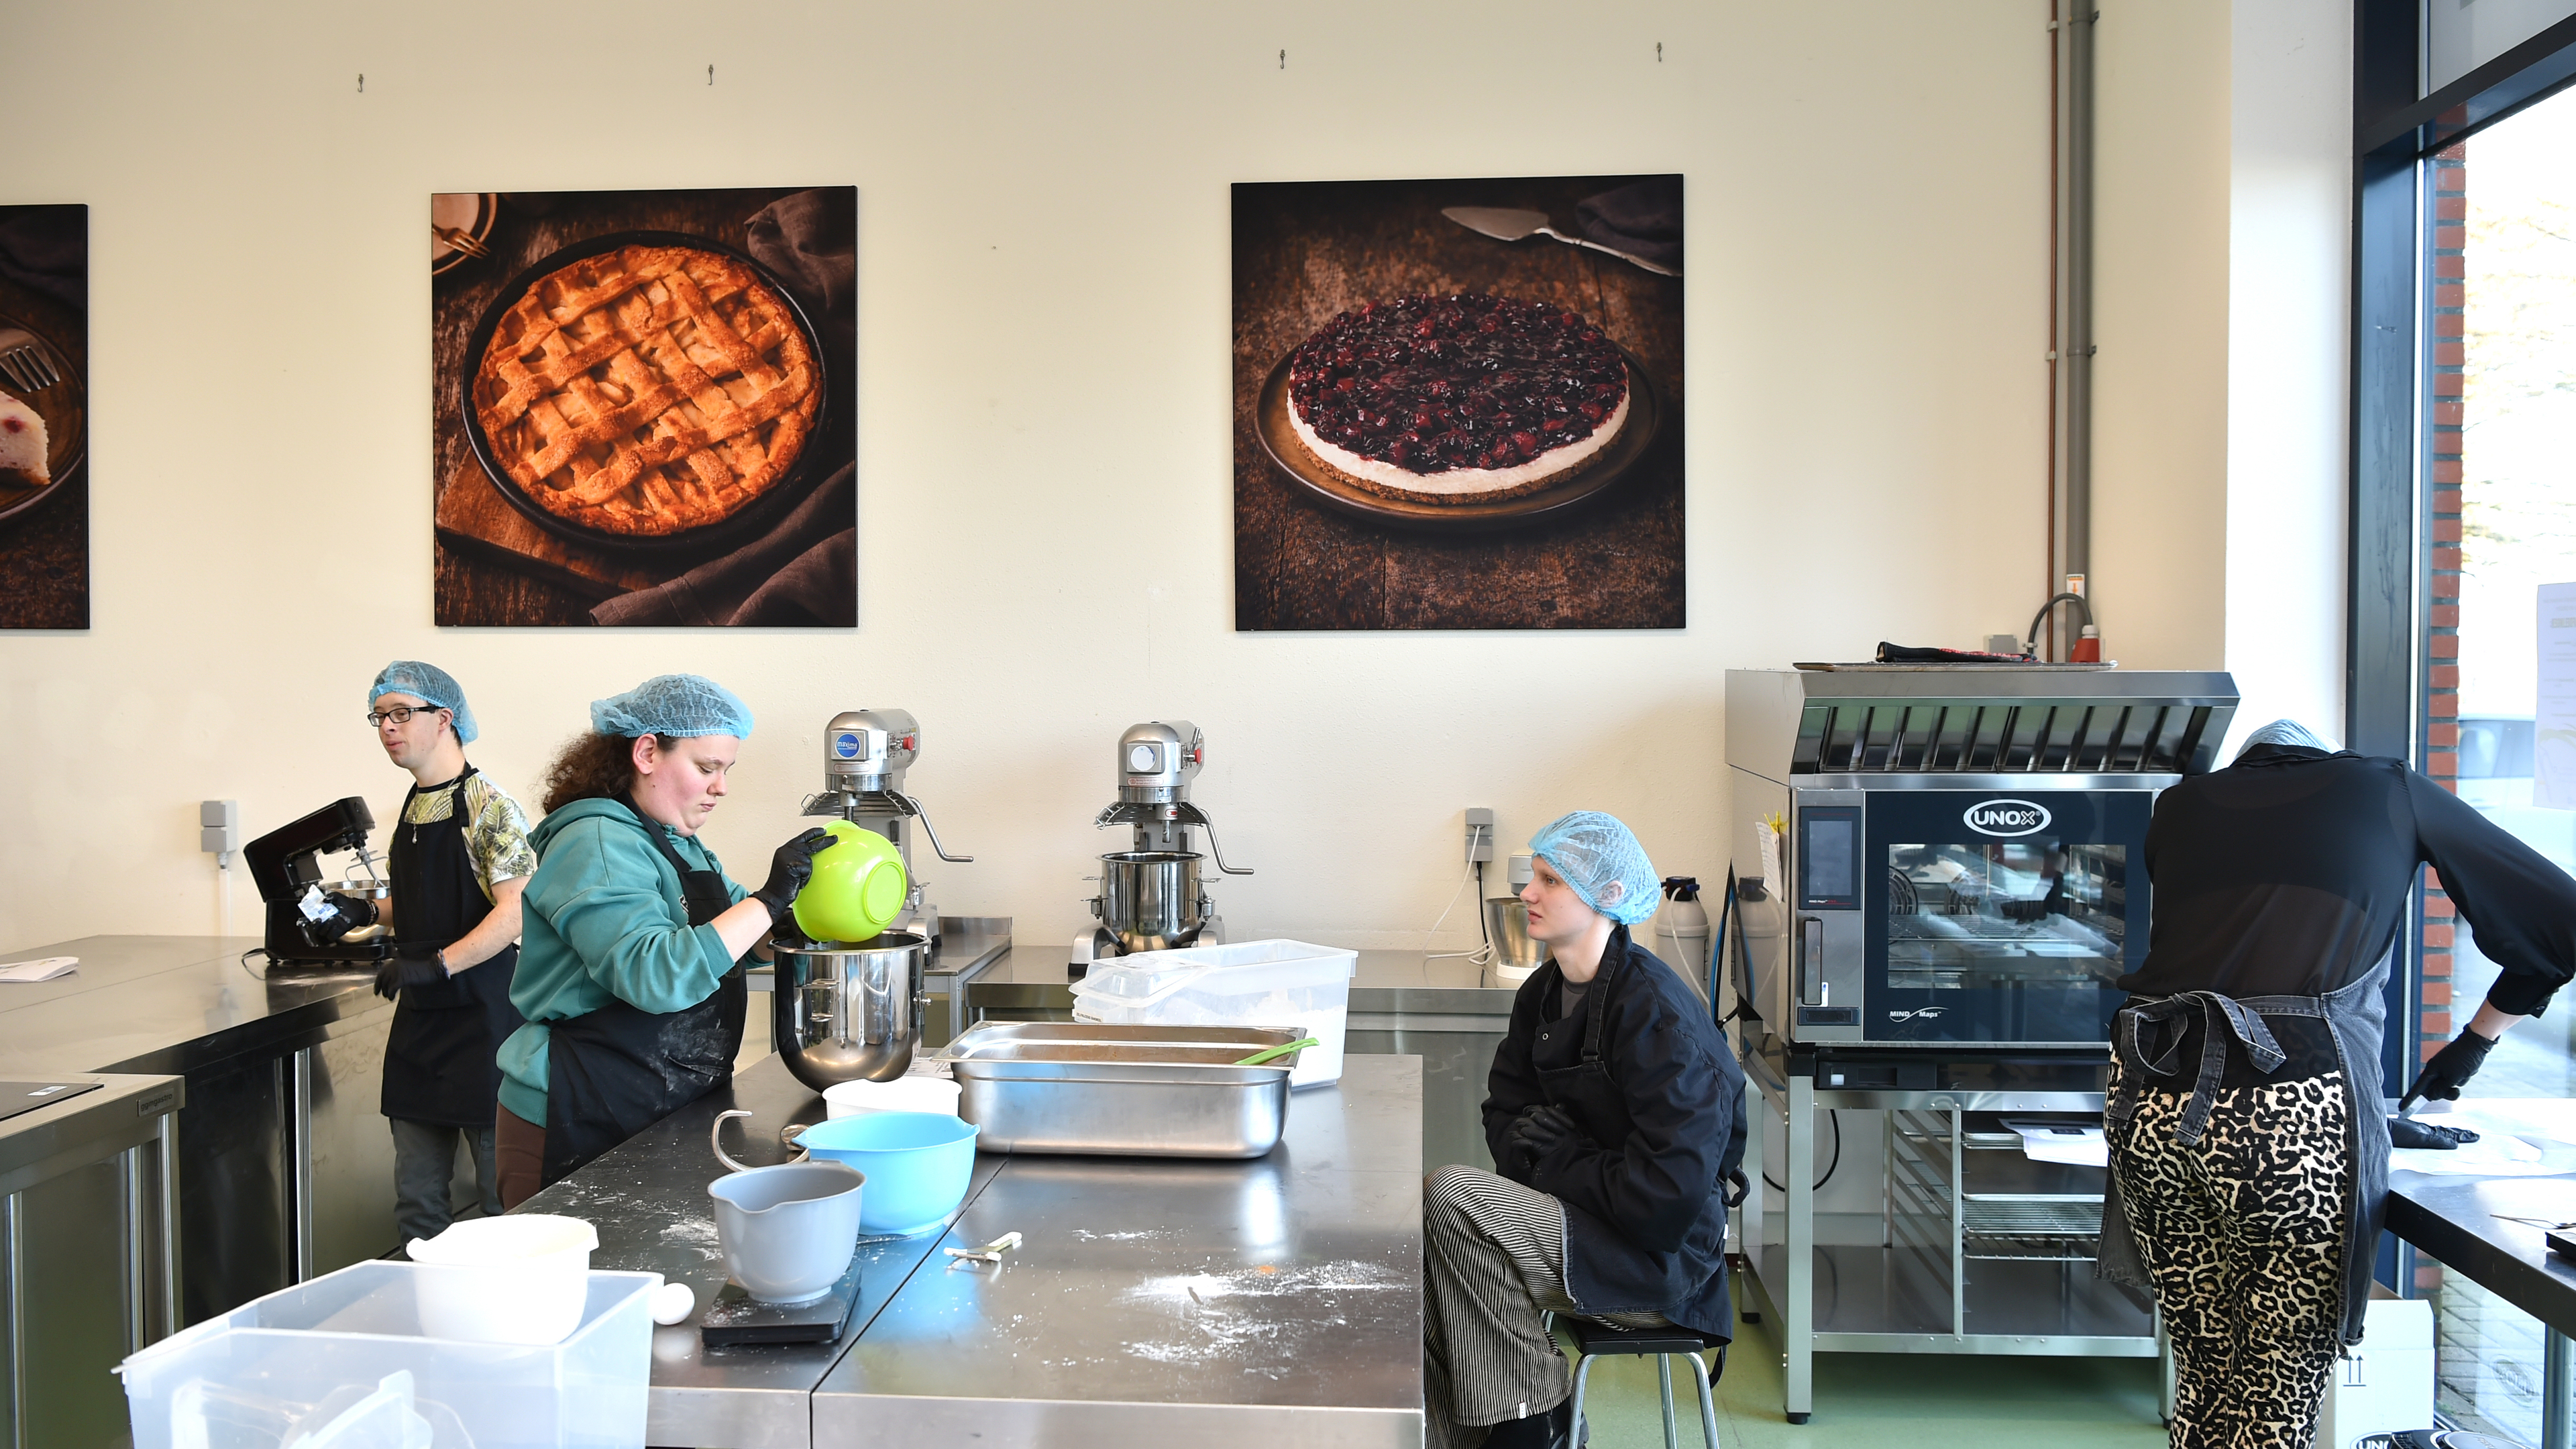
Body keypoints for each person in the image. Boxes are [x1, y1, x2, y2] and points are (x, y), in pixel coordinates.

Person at [2100, 718, 2576, 1449]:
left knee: (2205, 1371)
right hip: (2291, 1116)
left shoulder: (2181, 806)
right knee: (2273, 1394)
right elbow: (2560, 926)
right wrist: (2473, 1044)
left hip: (2151, 1105)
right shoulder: (2386, 787)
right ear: (2324, 760)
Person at [1422, 811, 1744, 1449]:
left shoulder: (1656, 1016)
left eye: (1551, 880)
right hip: (1580, 1223)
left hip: (1659, 1261)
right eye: (1532, 877)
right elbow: (1503, 1117)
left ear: (1609, 896)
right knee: (1430, 1273)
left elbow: (1664, 1204)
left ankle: (1539, 1425)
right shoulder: (1543, 993)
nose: (1527, 893)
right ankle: (1510, 1429)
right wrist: (1546, 1156)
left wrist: (1561, 1156)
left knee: (1453, 1195)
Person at [492, 674, 830, 1208]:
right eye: (706, 768)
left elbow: (740, 936)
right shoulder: (596, 841)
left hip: (658, 1099)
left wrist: (802, 915)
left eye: (726, 770)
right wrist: (769, 900)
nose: (722, 787)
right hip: (575, 1109)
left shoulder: (679, 843)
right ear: (647, 752)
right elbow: (654, 975)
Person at [357, 661, 534, 1245]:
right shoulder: (411, 806)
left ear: (445, 718)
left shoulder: (491, 806)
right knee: (417, 1205)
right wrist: (363, 913)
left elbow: (513, 912)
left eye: (402, 713)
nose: (388, 727)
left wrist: (435, 966)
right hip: (421, 1026)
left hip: (485, 1023)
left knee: (498, 1202)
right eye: (380, 716)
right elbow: (417, 902)